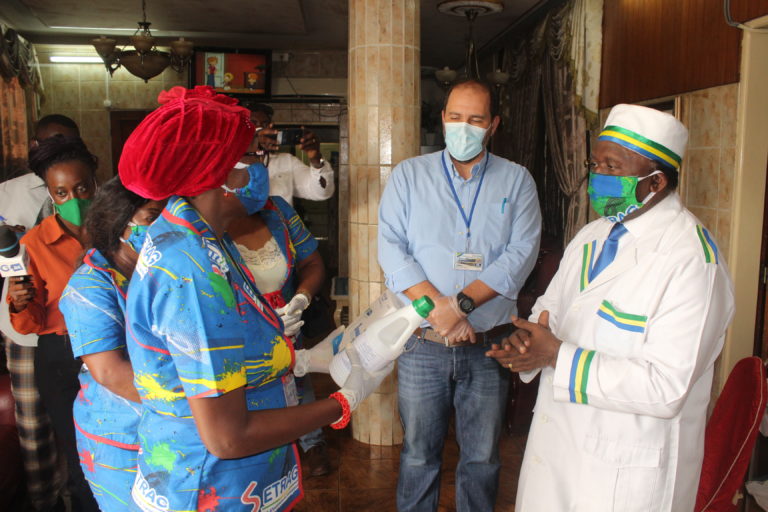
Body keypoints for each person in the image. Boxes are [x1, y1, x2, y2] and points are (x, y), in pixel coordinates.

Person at [118, 85, 390, 511]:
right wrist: (342, 401)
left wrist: (302, 358)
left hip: (235, 481)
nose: (261, 166)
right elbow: (228, 436)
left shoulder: (200, 237)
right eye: (250, 155)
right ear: (223, 175)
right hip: (210, 487)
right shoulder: (192, 271)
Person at [489, 104, 735, 511]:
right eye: (595, 164)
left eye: (612, 167)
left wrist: (557, 355)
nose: (597, 176)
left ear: (655, 181)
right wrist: (527, 342)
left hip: (624, 474)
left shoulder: (692, 261)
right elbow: (551, 310)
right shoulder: (592, 235)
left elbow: (667, 388)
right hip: (558, 450)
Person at [378, 79, 542, 512]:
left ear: (493, 125)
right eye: (455, 117)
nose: (463, 127)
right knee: (418, 454)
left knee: (483, 457)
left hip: (488, 344)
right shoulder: (409, 176)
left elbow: (521, 254)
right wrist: (441, 311)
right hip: (422, 343)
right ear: (442, 118)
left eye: (475, 119)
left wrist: (461, 305)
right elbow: (391, 249)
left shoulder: (517, 180)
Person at [59, 177, 165, 511]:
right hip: (121, 435)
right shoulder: (89, 286)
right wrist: (194, 407)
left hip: (169, 423)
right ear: (120, 223)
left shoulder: (160, 271)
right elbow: (110, 372)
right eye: (152, 218)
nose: (163, 226)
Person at [6, 136, 100, 511]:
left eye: (82, 188)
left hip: (118, 348)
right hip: (62, 358)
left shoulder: (118, 230)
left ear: (95, 182)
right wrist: (19, 302)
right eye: (62, 193)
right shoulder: (35, 244)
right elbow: (30, 324)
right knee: (80, 458)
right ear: (51, 195)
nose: (73, 200)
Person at [0, 113, 79, 512]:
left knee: (79, 429)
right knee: (34, 423)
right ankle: (44, 501)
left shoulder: (90, 196)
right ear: (33, 145)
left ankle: (78, 495)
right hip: (24, 328)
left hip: (78, 334)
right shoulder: (7, 193)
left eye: (65, 141)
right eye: (47, 142)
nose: (54, 149)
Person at [229, 180, 330, 476]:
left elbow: (312, 263)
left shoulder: (279, 211)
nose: (258, 167)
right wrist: (261, 325)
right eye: (249, 159)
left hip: (289, 327)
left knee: (298, 379)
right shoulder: (206, 226)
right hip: (240, 345)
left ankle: (311, 442)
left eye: (260, 157)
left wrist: (301, 298)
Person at [239, 102, 334, 205]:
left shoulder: (286, 161)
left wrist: (316, 159)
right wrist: (250, 148)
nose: (260, 128)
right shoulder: (230, 159)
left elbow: (322, 193)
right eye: (253, 123)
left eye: (265, 124)